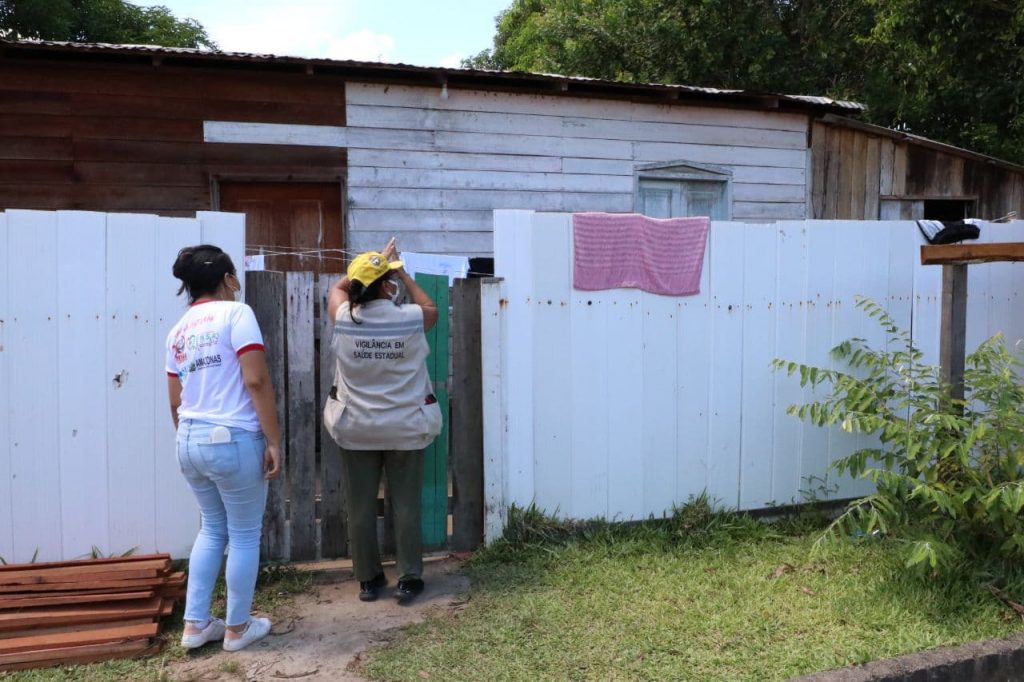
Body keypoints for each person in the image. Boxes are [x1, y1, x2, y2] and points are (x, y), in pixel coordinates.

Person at [165, 245, 282, 651]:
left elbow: (175, 401)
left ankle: (195, 626)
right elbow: (256, 381)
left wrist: (189, 437)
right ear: (229, 278)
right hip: (232, 438)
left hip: (189, 439)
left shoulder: (177, 330)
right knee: (245, 535)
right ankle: (237, 628)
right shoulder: (237, 314)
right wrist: (273, 440)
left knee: (212, 529)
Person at [323, 239, 443, 603]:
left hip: (357, 427)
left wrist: (372, 263)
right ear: (388, 285)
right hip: (406, 426)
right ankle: (409, 577)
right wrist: (400, 270)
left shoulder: (344, 319)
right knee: (405, 506)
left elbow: (339, 288)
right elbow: (431, 306)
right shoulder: (409, 318)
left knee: (360, 508)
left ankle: (369, 579)